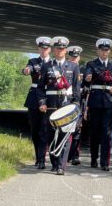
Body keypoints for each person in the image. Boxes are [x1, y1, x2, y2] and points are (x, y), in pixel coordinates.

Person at [36, 36, 81, 175]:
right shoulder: (46, 66)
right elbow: (40, 87)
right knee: (51, 135)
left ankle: (62, 165)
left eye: (62, 49)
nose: (59, 51)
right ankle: (55, 163)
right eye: (57, 48)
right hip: (50, 104)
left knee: (65, 135)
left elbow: (76, 88)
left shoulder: (73, 66)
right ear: (54, 50)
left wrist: (76, 105)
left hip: (66, 105)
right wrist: (42, 103)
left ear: (65, 50)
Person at [84, 38, 112, 171]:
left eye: (106, 50)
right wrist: (88, 78)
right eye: (102, 50)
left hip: (109, 102)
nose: (104, 52)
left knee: (107, 132)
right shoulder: (91, 64)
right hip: (95, 101)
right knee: (94, 131)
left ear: (109, 51)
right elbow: (87, 77)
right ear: (97, 50)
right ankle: (94, 158)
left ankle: (105, 162)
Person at [22, 36, 52, 169]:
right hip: (34, 98)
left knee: (45, 129)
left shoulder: (53, 63)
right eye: (41, 48)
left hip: (49, 97)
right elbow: (27, 68)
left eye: (46, 48)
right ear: (38, 49)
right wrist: (26, 70)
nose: (44, 50)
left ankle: (42, 159)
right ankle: (38, 156)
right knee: (35, 130)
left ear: (49, 49)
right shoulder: (33, 61)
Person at [66, 45, 83, 165]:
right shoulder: (64, 67)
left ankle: (75, 155)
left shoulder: (84, 69)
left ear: (79, 58)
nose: (74, 59)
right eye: (72, 57)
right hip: (68, 100)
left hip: (80, 101)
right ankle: (66, 155)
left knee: (77, 129)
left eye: (76, 57)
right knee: (67, 128)